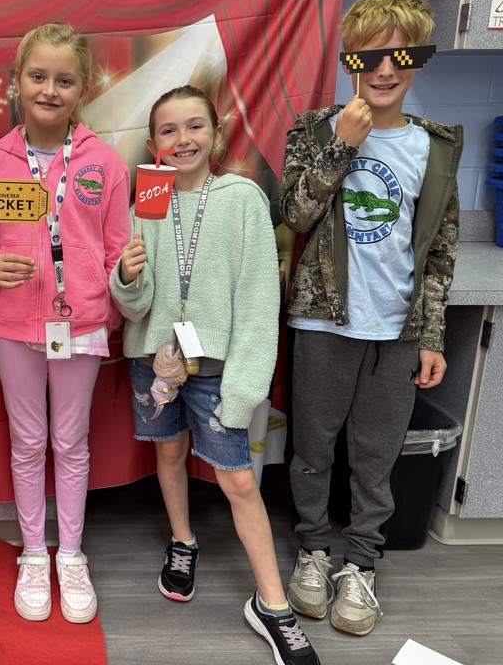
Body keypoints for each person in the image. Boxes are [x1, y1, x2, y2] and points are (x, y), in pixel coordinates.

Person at [110, 85, 321, 664]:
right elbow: (135, 304)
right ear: (153, 143)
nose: (183, 139)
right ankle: (183, 542)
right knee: (170, 453)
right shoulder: (146, 200)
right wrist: (127, 278)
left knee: (238, 480)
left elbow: (258, 301)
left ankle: (272, 604)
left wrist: (245, 388)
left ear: (216, 133)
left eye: (194, 126)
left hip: (219, 368)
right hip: (154, 360)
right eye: (170, 131)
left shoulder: (244, 198)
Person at [282, 0, 460, 636]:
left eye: (401, 54)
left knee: (377, 454)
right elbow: (296, 214)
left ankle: (360, 562)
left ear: (416, 62)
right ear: (350, 59)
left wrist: (433, 335)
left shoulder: (435, 148)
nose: (385, 69)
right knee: (311, 448)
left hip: (399, 329)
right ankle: (310, 550)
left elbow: (440, 251)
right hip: (323, 322)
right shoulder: (311, 128)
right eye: (371, 55)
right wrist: (341, 145)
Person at [0, 22, 130, 624]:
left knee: (71, 442)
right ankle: (34, 552)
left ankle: (72, 553)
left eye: (64, 80)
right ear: (17, 83)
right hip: (13, 325)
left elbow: (115, 252)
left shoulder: (105, 162)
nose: (50, 90)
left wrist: (114, 293)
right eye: (38, 76)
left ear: (81, 89)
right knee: (29, 442)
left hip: (81, 324)